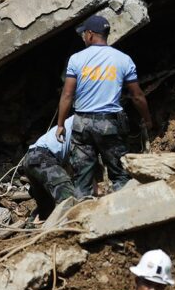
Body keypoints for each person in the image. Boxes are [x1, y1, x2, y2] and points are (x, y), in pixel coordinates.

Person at [55, 15, 153, 198]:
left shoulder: (76, 59)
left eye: (84, 34)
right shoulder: (123, 59)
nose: (84, 37)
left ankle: (80, 217)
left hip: (81, 125)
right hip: (110, 125)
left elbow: (67, 94)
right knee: (120, 176)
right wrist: (147, 119)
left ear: (91, 34)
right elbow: (137, 95)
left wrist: (60, 124)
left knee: (82, 179)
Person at [20, 116, 75, 220]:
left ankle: (30, 230)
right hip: (43, 158)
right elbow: (80, 163)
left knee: (46, 209)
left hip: (31, 159)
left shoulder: (76, 120)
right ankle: (67, 232)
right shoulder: (84, 121)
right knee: (68, 198)